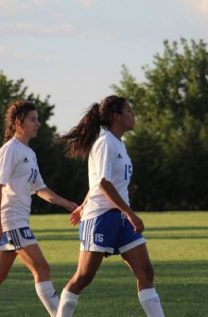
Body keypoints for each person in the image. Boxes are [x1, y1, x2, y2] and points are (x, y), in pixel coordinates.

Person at [56, 95, 165, 317]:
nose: (133, 115)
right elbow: (103, 183)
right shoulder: (105, 143)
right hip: (101, 218)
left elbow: (100, 180)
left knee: (146, 273)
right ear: (116, 116)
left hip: (121, 220)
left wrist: (85, 204)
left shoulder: (118, 144)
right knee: (83, 277)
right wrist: (130, 213)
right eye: (129, 111)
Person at [0, 100, 78, 317]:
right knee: (43, 269)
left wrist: (65, 203)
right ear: (18, 122)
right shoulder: (10, 150)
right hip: (12, 222)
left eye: (38, 119)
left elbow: (40, 188)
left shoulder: (29, 153)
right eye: (33, 119)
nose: (38, 123)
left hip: (15, 222)